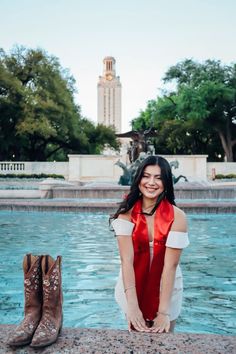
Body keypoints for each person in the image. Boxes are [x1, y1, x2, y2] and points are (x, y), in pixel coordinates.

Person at [111, 155, 189, 333]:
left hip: (167, 283)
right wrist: (133, 306)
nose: (151, 182)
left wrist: (163, 312)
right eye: (146, 176)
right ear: (139, 179)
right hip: (132, 280)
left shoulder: (178, 217)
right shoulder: (126, 214)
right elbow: (126, 261)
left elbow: (170, 266)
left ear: (166, 182)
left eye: (158, 177)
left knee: (165, 336)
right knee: (137, 336)